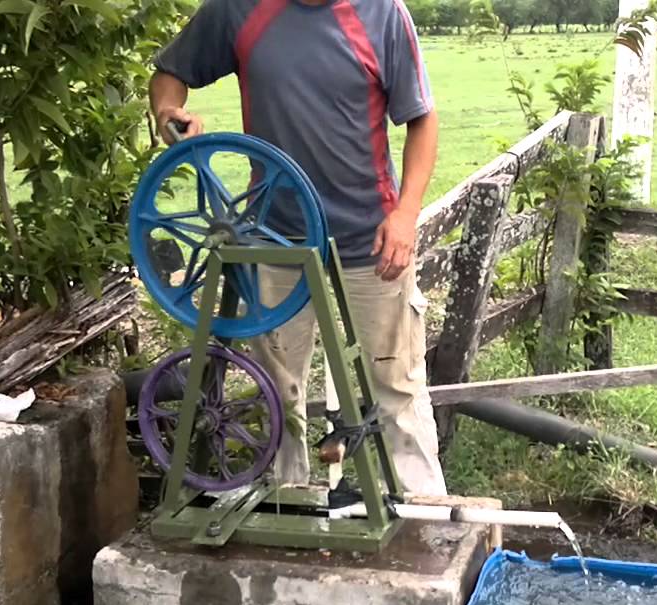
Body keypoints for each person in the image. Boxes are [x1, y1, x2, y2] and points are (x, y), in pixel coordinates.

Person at [148, 0, 446, 496]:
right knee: (279, 390)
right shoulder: (238, 9)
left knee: (396, 385)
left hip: (370, 238)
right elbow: (170, 73)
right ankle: (289, 504)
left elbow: (422, 118)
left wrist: (406, 212)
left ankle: (426, 516)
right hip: (275, 237)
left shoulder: (383, 13)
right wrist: (167, 112)